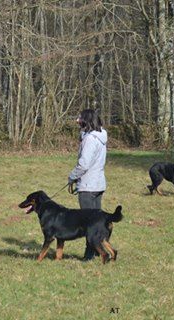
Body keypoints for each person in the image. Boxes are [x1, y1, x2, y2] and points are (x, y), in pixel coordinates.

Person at [68, 109, 107, 261]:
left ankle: (90, 253)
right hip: (98, 184)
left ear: (86, 120)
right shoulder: (99, 137)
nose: (77, 120)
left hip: (88, 186)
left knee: (89, 223)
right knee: (97, 221)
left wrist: (72, 177)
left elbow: (83, 164)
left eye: (80, 118)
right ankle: (98, 249)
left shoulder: (90, 139)